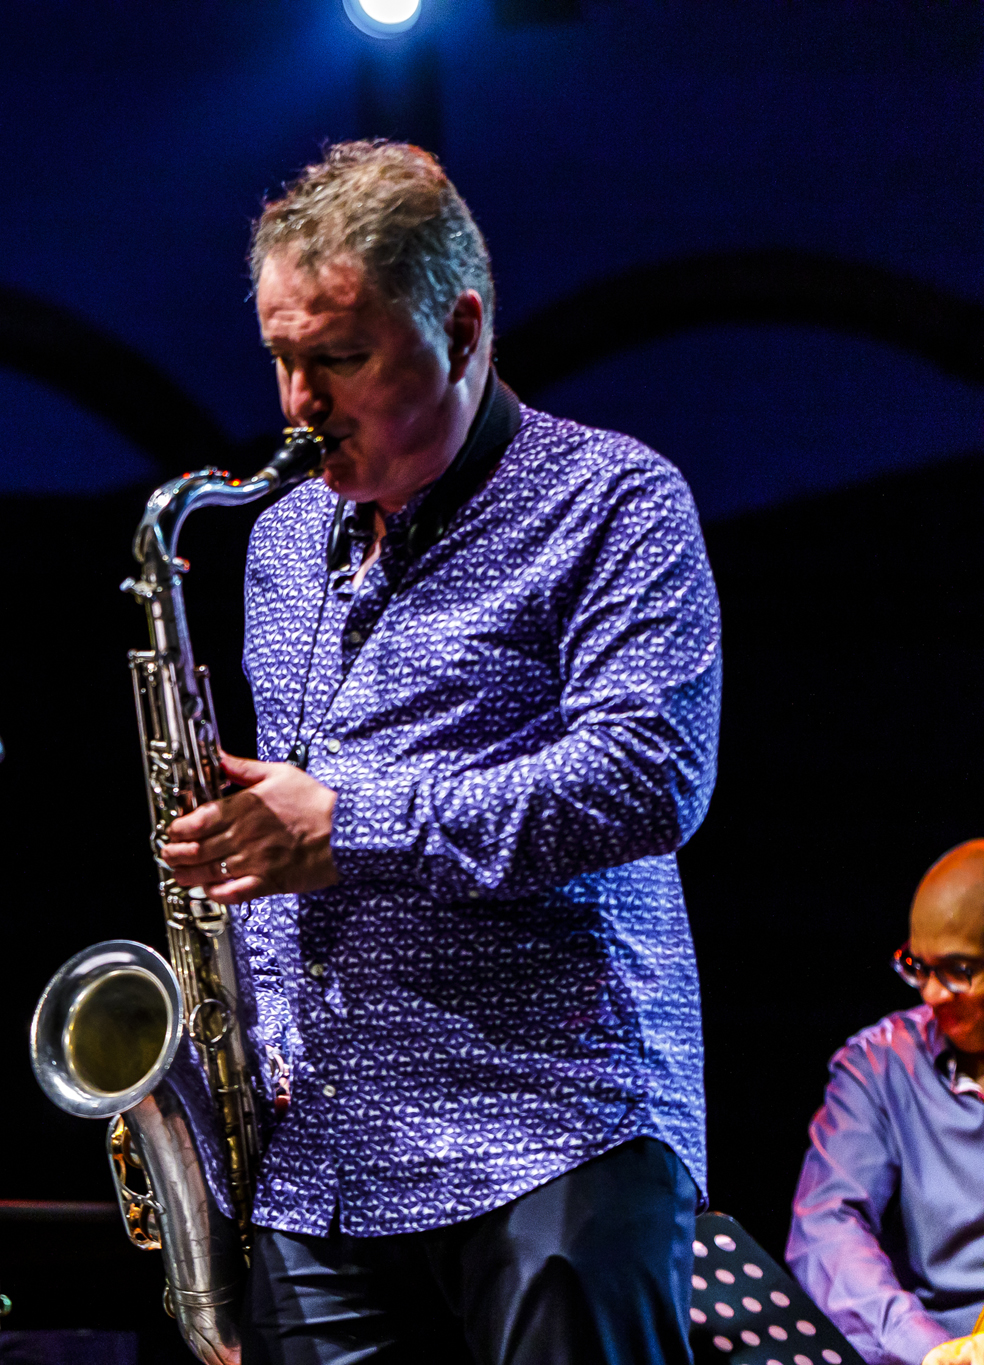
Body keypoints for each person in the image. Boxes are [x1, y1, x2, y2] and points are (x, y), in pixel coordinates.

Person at [157, 142, 722, 1362]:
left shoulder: (612, 500)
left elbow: (647, 775)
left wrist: (346, 826)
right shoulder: (279, 540)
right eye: (279, 359)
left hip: (553, 1130)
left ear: (459, 330)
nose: (297, 403)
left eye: (338, 359)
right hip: (327, 1163)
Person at [788, 842, 984, 1365]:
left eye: (958, 969)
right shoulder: (878, 1063)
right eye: (918, 966)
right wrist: (929, 1351)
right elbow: (826, 1225)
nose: (932, 994)